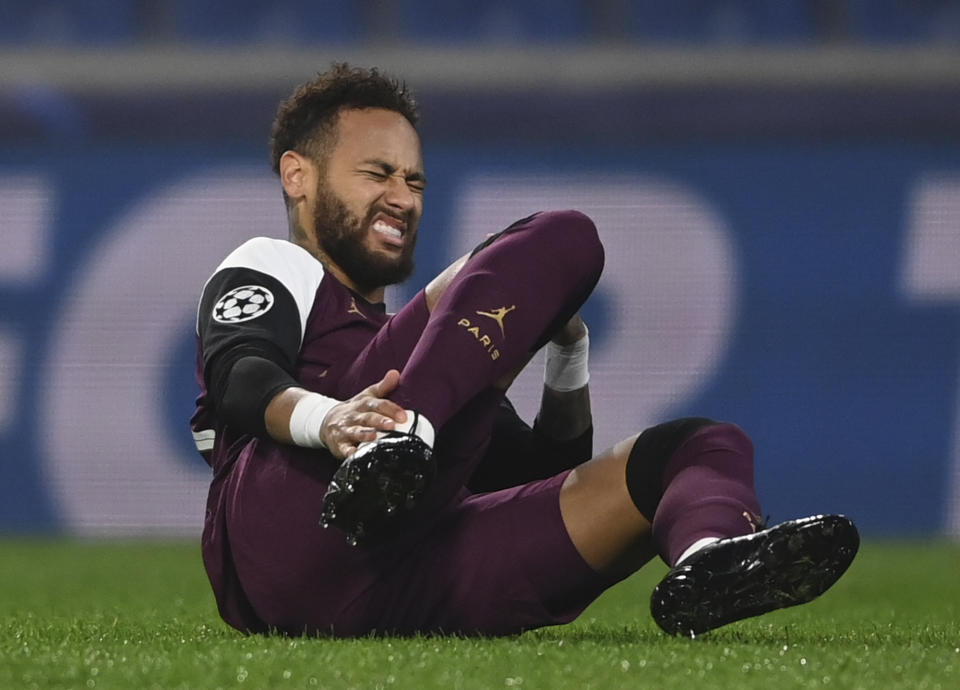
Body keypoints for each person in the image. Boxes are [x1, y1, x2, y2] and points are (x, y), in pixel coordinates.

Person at [190, 63, 859, 638]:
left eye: (415, 181)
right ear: (297, 176)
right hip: (289, 525)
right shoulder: (274, 265)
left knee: (702, 447)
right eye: (377, 173)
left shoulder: (430, 361)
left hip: (399, 577)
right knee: (564, 236)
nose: (402, 197)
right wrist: (333, 421)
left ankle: (711, 557)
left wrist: (567, 354)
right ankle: (395, 443)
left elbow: (542, 478)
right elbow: (241, 376)